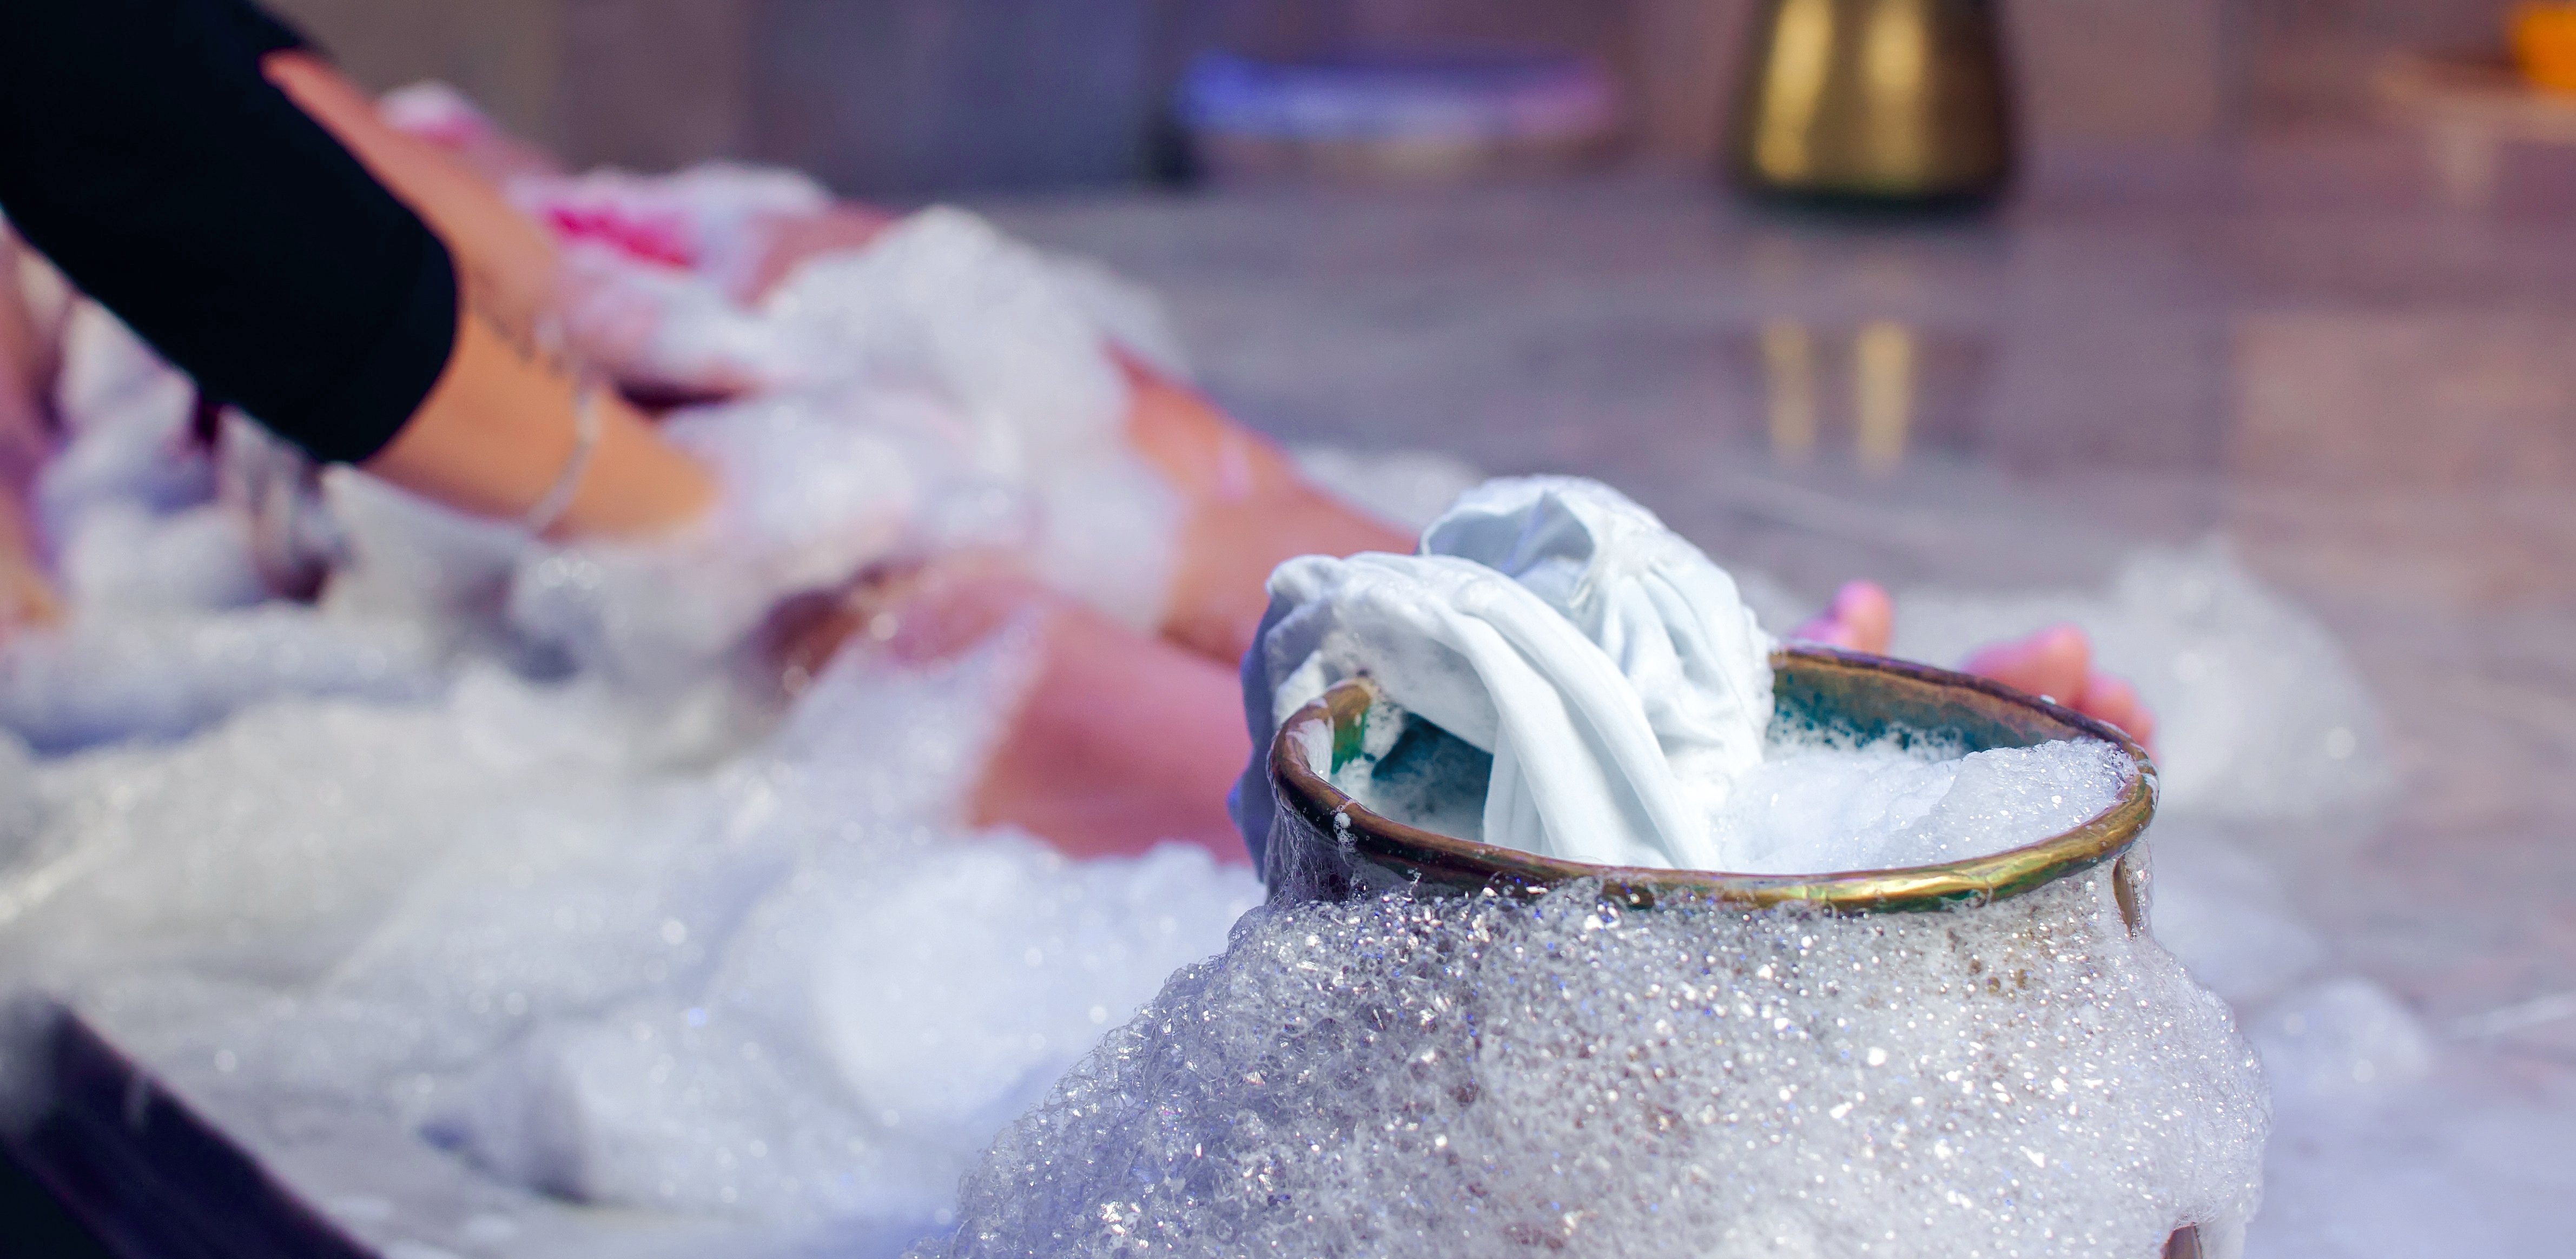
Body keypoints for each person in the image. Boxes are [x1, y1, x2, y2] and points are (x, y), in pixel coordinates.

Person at [0, 0, 2148, 871]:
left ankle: (1699, 723)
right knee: (888, 591)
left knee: (1055, 427)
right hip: (253, 410)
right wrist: (682, 493)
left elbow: (308, 150)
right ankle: (1564, 832)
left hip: (418, 269)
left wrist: (676, 359)